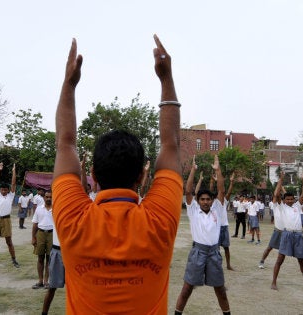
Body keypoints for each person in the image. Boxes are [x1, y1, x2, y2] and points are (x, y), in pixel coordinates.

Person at [52, 36, 183, 314]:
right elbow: (171, 144)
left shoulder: (74, 219)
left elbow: (65, 143)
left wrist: (69, 84)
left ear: (92, 174)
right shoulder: (159, 220)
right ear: (142, 176)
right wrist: (166, 79)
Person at [175, 155, 231, 314]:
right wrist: (192, 170)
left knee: (220, 290)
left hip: (214, 253)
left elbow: (221, 190)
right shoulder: (193, 210)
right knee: (187, 288)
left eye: (208, 199)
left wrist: (218, 169)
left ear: (212, 201)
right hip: (197, 252)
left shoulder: (218, 210)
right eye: (202, 199)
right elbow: (187, 190)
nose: (205, 202)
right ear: (198, 201)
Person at [270, 170, 303, 291]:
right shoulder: (281, 207)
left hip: (298, 235)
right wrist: (281, 179)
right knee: (280, 259)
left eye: (291, 199)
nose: (290, 201)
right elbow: (276, 194)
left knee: (302, 260)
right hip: (287, 234)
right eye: (288, 199)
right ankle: (274, 282)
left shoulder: (297, 206)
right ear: (284, 200)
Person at [41, 212, 65, 315]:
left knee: (76, 289)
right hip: (58, 250)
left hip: (73, 252)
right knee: (52, 288)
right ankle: (44, 313)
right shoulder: (56, 209)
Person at [258, 184, 286, 269]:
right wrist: (279, 184)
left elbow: (287, 195)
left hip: (287, 231)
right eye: (278, 198)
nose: (278, 198)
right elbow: (276, 194)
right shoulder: (274, 205)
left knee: (292, 250)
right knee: (270, 247)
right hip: (277, 231)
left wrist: (282, 187)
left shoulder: (287, 206)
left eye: (281, 198)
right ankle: (262, 261)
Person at [31, 190, 53, 289]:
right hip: (40, 234)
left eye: (50, 197)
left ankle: (46, 281)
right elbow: (35, 224)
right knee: (40, 258)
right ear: (43, 197)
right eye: (47, 197)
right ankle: (40, 281)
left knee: (49, 259)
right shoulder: (39, 209)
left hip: (52, 235)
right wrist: (33, 237)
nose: (48, 199)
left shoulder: (57, 209)